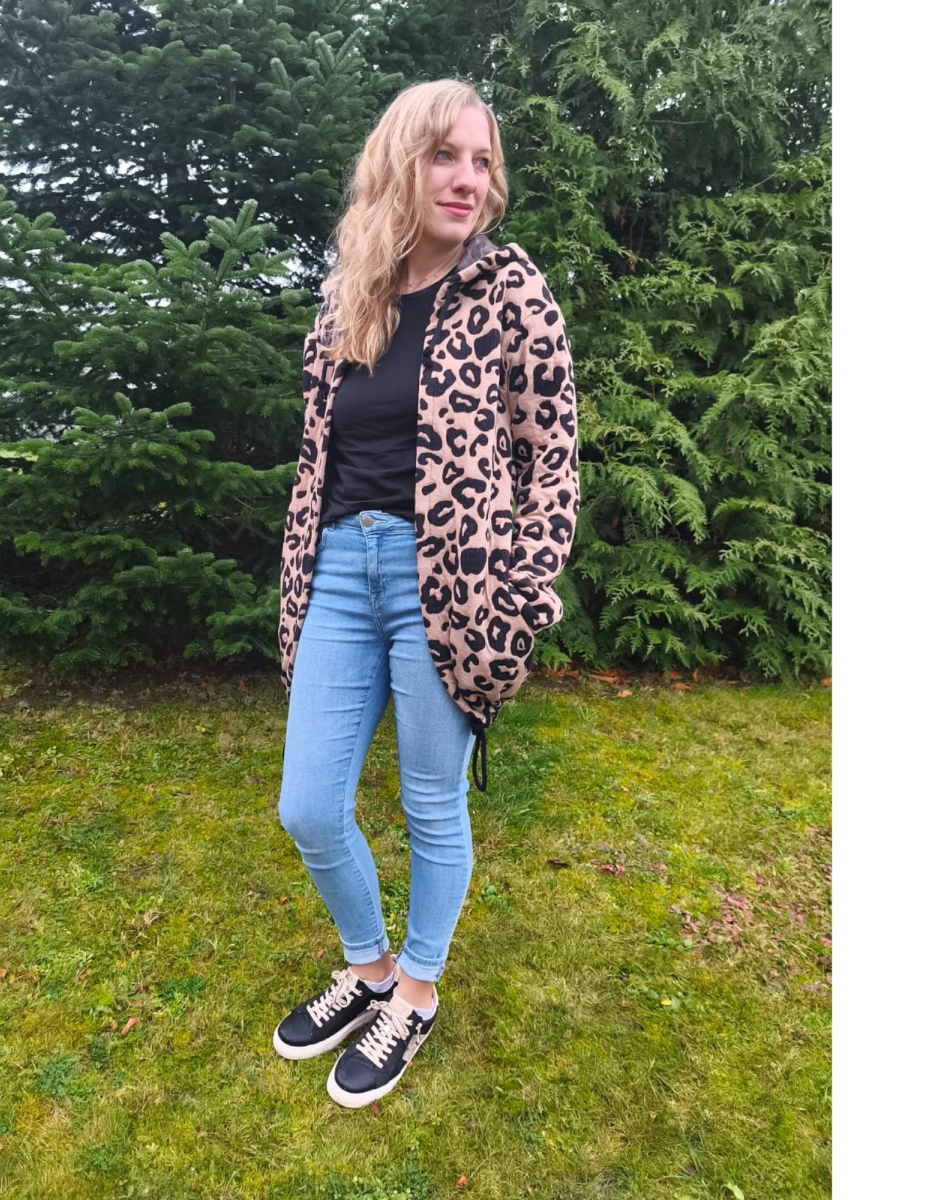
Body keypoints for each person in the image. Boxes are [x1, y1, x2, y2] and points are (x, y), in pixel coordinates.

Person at [272, 79, 579, 1108]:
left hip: (450, 581)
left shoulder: (509, 288)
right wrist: (303, 567)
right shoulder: (350, 296)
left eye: (482, 161)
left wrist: (523, 592)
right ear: (401, 162)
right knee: (309, 804)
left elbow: (552, 458)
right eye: (446, 155)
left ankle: (415, 990)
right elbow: (317, 457)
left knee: (430, 801)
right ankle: (366, 968)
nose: (468, 179)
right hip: (339, 569)